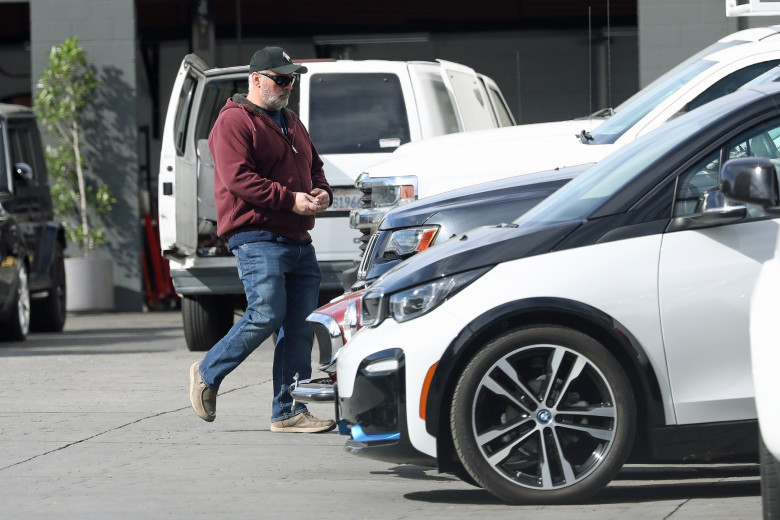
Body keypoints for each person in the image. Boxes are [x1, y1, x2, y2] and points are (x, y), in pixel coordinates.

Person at [189, 46, 336, 433]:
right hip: (258, 237)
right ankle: (206, 371)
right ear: (256, 79)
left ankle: (289, 411)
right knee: (265, 313)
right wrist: (291, 199)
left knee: (299, 326)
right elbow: (239, 179)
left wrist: (322, 193)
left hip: (298, 240)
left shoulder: (291, 121)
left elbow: (315, 168)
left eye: (292, 79)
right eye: (280, 78)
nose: (288, 85)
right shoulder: (233, 122)